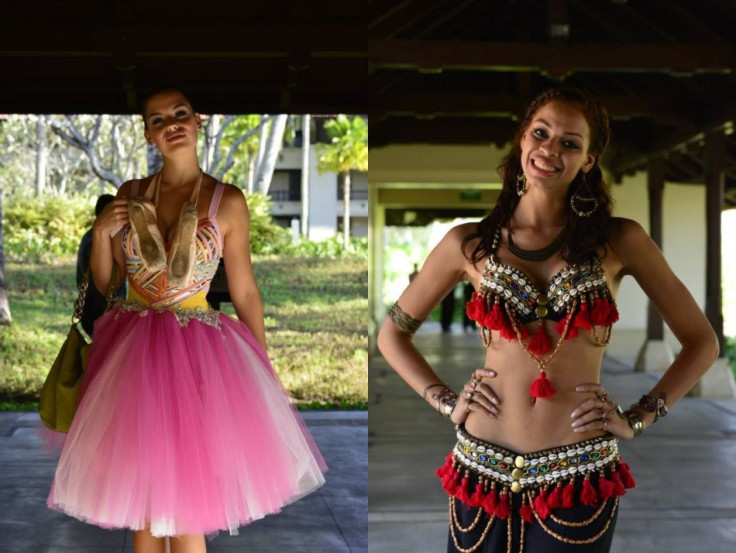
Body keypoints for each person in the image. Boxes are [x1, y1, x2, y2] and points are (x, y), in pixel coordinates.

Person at [377, 86, 719, 552]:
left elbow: (702, 342)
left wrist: (639, 417)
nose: (550, 149)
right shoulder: (468, 244)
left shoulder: (619, 240)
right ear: (522, 139)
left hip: (578, 474)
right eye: (541, 133)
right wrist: (445, 402)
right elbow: (393, 333)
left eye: (569, 143)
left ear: (588, 161)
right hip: (481, 469)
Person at [47, 86, 327, 553]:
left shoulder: (227, 201)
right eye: (158, 120)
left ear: (198, 121)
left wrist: (262, 367)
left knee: (185, 508)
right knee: (144, 504)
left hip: (197, 352)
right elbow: (107, 280)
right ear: (147, 134)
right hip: (131, 350)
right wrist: (100, 234)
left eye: (180, 114)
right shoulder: (131, 193)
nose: (171, 124)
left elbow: (244, 291)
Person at [75, 194, 126, 336]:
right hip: (102, 308)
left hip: (89, 306)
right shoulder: (100, 238)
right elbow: (105, 281)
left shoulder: (89, 235)